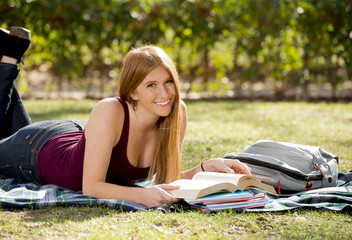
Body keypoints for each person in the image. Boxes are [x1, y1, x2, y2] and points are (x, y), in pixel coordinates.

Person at [0, 27, 251, 207]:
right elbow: (92, 186)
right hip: (37, 149)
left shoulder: (177, 112)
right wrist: (142, 196)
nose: (164, 93)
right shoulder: (110, 109)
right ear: (132, 91)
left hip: (77, 134)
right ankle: (9, 59)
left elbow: (167, 179)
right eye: (151, 85)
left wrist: (204, 168)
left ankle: (10, 57)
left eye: (168, 82)